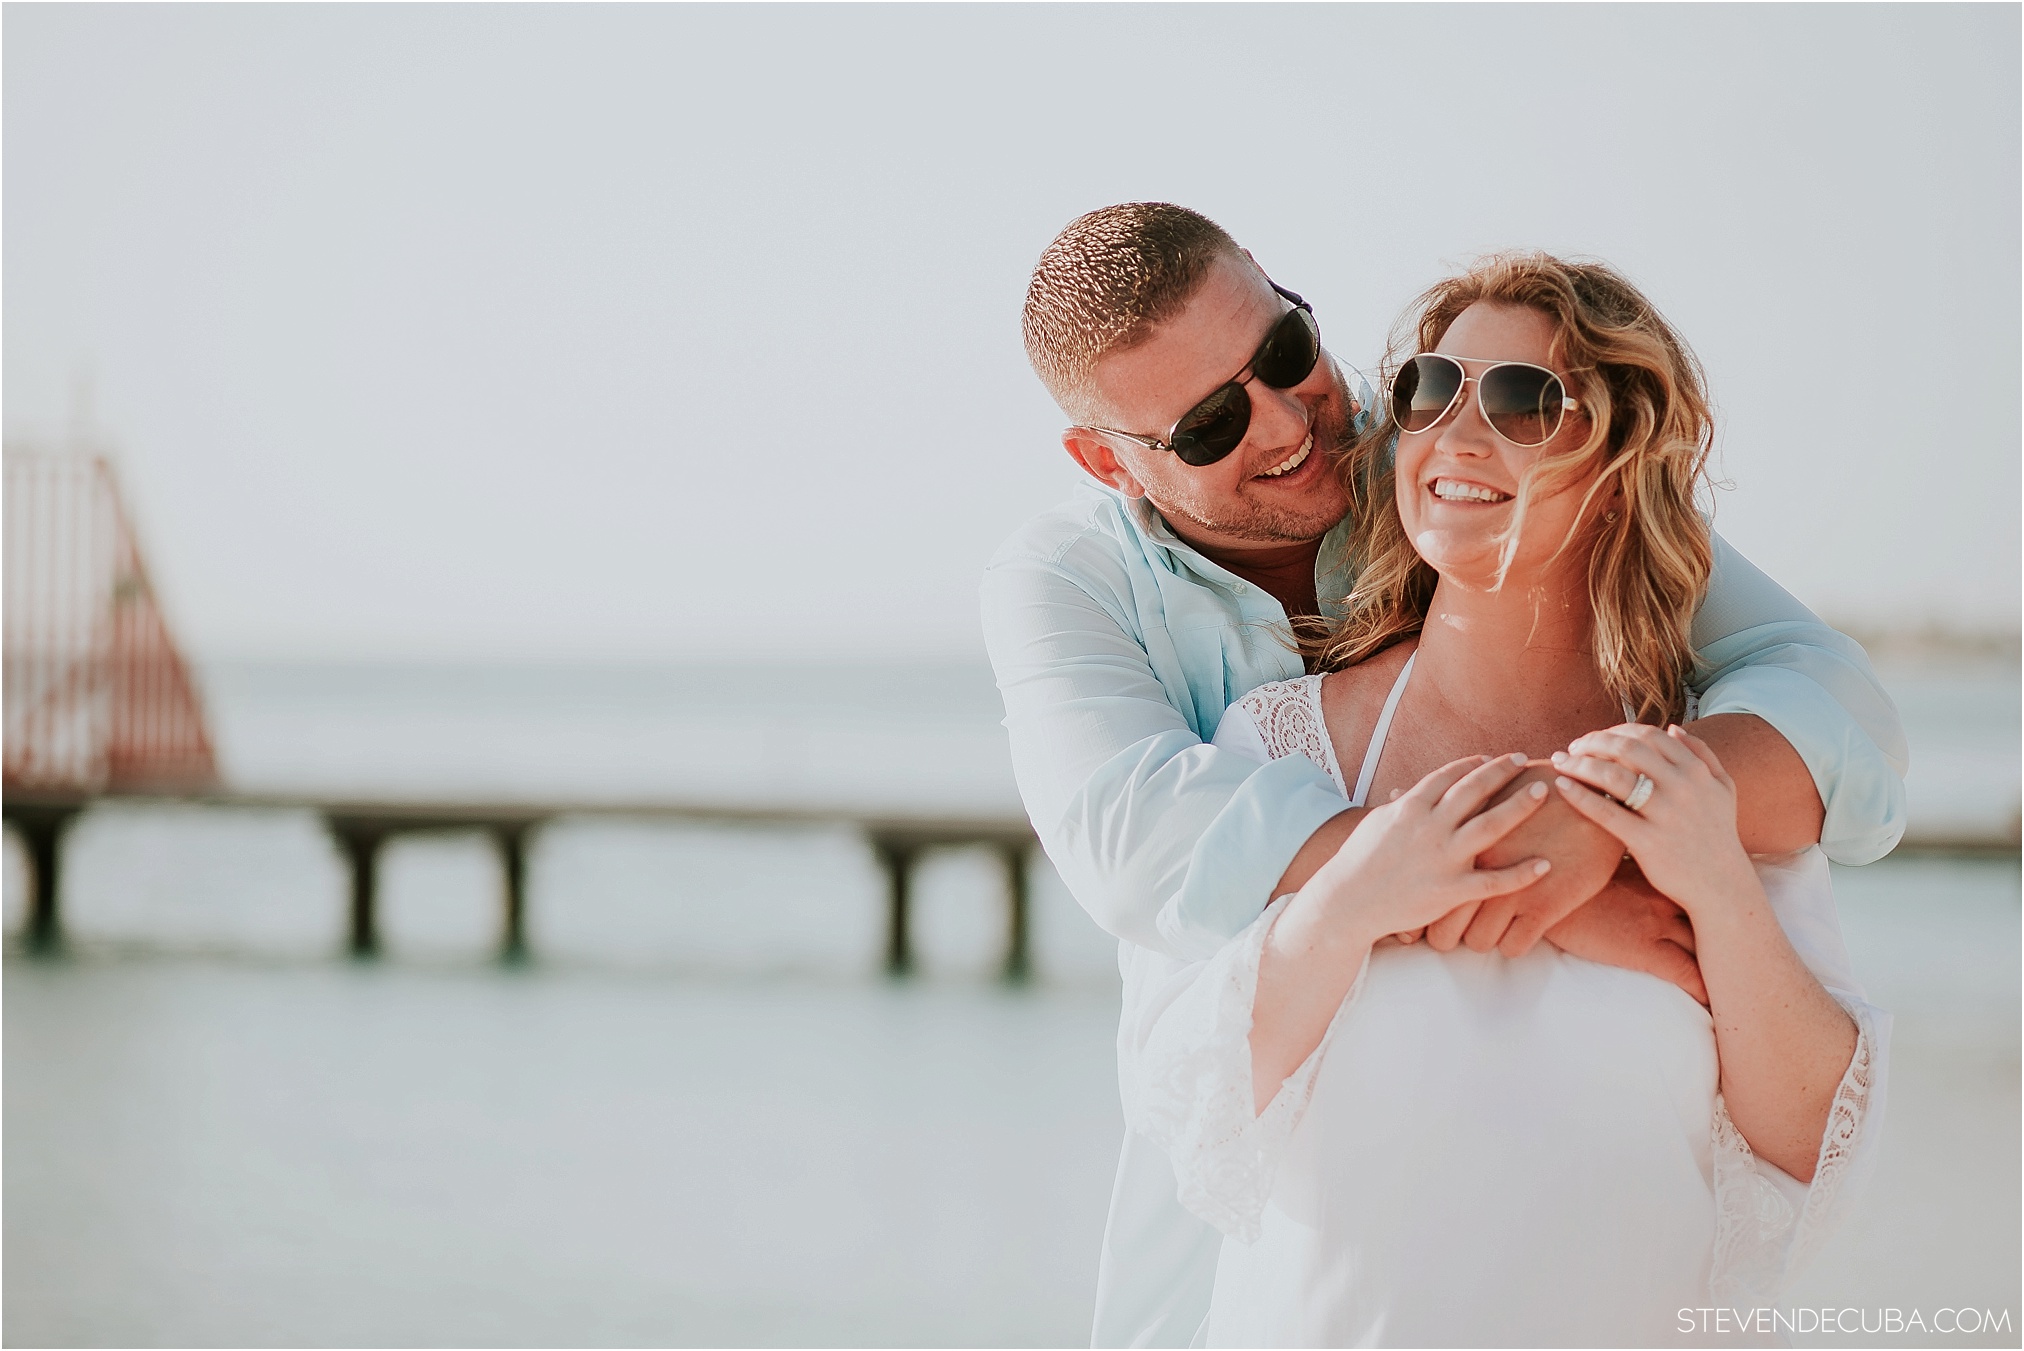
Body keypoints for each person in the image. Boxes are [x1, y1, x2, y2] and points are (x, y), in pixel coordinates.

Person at [978, 203, 1907, 1346]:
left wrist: (1601, 828)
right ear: (1103, 460)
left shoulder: (1449, 436)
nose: (1285, 423)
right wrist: (1547, 886)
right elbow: (1139, 844)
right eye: (1211, 422)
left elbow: (1840, 719)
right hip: (1219, 1271)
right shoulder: (1068, 582)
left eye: (1280, 353)